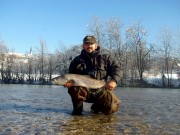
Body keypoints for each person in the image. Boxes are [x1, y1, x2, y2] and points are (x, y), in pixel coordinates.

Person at [65, 35, 121, 115]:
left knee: (112, 107)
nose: (89, 46)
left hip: (101, 90)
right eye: (87, 44)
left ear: (96, 45)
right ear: (83, 45)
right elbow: (70, 76)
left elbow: (117, 70)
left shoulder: (106, 58)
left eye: (91, 43)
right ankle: (77, 111)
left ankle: (96, 108)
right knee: (74, 89)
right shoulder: (76, 60)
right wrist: (68, 84)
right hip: (84, 91)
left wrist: (114, 80)